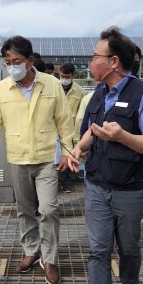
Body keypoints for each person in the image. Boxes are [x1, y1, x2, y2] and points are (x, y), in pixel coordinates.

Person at [67, 27, 143, 284]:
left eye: (95, 56)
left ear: (112, 61)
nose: (90, 62)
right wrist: (79, 150)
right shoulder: (98, 93)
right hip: (96, 185)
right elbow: (93, 130)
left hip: (130, 189)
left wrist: (122, 136)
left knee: (128, 247)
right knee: (97, 251)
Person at [0, 35, 74, 284]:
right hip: (18, 158)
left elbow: (64, 121)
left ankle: (50, 258)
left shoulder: (51, 85)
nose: (12, 66)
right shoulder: (2, 89)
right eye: (7, 62)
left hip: (46, 158)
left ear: (30, 60)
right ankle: (31, 251)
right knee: (24, 210)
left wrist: (67, 152)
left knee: (48, 209)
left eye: (17, 61)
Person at [58, 63, 85, 192]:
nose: (64, 79)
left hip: (72, 129)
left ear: (73, 76)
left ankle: (66, 182)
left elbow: (82, 113)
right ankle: (56, 180)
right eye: (62, 76)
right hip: (56, 128)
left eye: (67, 76)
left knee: (69, 154)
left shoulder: (79, 91)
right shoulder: (54, 87)